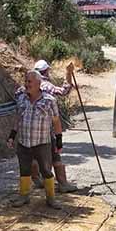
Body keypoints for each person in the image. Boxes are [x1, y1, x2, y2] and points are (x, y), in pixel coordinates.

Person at [7, 71, 63, 209]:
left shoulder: (49, 100)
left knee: (46, 171)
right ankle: (24, 196)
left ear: (38, 84)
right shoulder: (21, 99)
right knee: (24, 170)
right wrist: (12, 135)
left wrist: (59, 140)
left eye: (29, 82)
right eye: (25, 81)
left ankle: (51, 199)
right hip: (24, 142)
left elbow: (56, 121)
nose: (26, 84)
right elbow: (18, 119)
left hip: (42, 143)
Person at [26, 59, 77, 193]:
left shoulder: (28, 86)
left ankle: (37, 180)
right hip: (47, 127)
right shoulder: (47, 85)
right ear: (46, 71)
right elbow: (64, 92)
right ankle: (62, 183)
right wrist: (69, 74)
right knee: (55, 155)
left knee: (33, 154)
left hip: (31, 128)